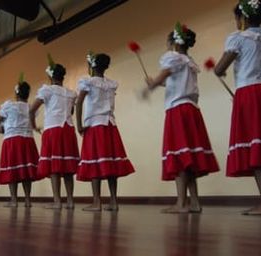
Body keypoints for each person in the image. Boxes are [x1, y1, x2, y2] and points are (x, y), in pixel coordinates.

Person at [146, 23, 219, 213]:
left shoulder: (172, 57)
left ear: (174, 43)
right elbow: (178, 84)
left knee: (179, 156)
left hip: (177, 111)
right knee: (189, 157)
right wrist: (158, 83)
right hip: (192, 110)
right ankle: (194, 202)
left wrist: (152, 84)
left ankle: (181, 203)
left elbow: (164, 74)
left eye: (167, 42)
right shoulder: (189, 61)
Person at [214, 1, 261, 215]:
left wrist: (219, 71)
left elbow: (220, 67)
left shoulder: (239, 38)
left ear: (242, 19)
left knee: (256, 146)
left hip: (250, 93)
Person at [76, 52, 135, 211]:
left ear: (92, 66)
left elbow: (79, 102)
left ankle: (97, 202)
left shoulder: (88, 82)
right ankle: (113, 201)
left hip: (94, 125)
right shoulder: (110, 84)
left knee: (95, 162)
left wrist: (79, 125)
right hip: (110, 125)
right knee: (110, 163)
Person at [30, 57, 80, 210]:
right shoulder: (71, 93)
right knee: (68, 167)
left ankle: (57, 201)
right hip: (68, 129)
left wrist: (34, 126)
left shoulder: (47, 90)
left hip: (53, 129)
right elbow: (71, 111)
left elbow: (32, 110)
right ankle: (70, 201)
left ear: (50, 76)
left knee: (54, 167)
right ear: (62, 77)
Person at [0, 79, 39, 207]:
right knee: (26, 171)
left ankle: (14, 200)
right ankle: (27, 200)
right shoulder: (31, 107)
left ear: (16, 93)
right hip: (27, 139)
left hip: (12, 139)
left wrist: (0, 120)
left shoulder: (9, 105)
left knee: (12, 170)